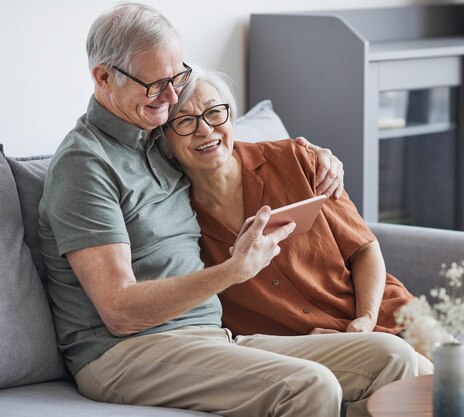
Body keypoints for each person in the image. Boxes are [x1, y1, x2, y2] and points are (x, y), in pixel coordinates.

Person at [38, 3, 419, 417]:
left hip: (209, 337)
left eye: (176, 77)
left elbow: (222, 149)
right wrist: (232, 271)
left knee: (390, 355)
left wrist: (315, 157)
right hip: (125, 353)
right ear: (103, 77)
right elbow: (119, 311)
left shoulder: (156, 141)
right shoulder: (85, 165)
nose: (170, 97)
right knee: (309, 385)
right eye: (156, 84)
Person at [162, 65, 435, 374]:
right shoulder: (172, 221)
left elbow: (364, 249)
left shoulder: (296, 159)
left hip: (385, 313)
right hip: (307, 348)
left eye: (214, 112)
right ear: (165, 140)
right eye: (184, 121)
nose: (205, 130)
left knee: (462, 372)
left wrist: (365, 321)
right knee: (423, 380)